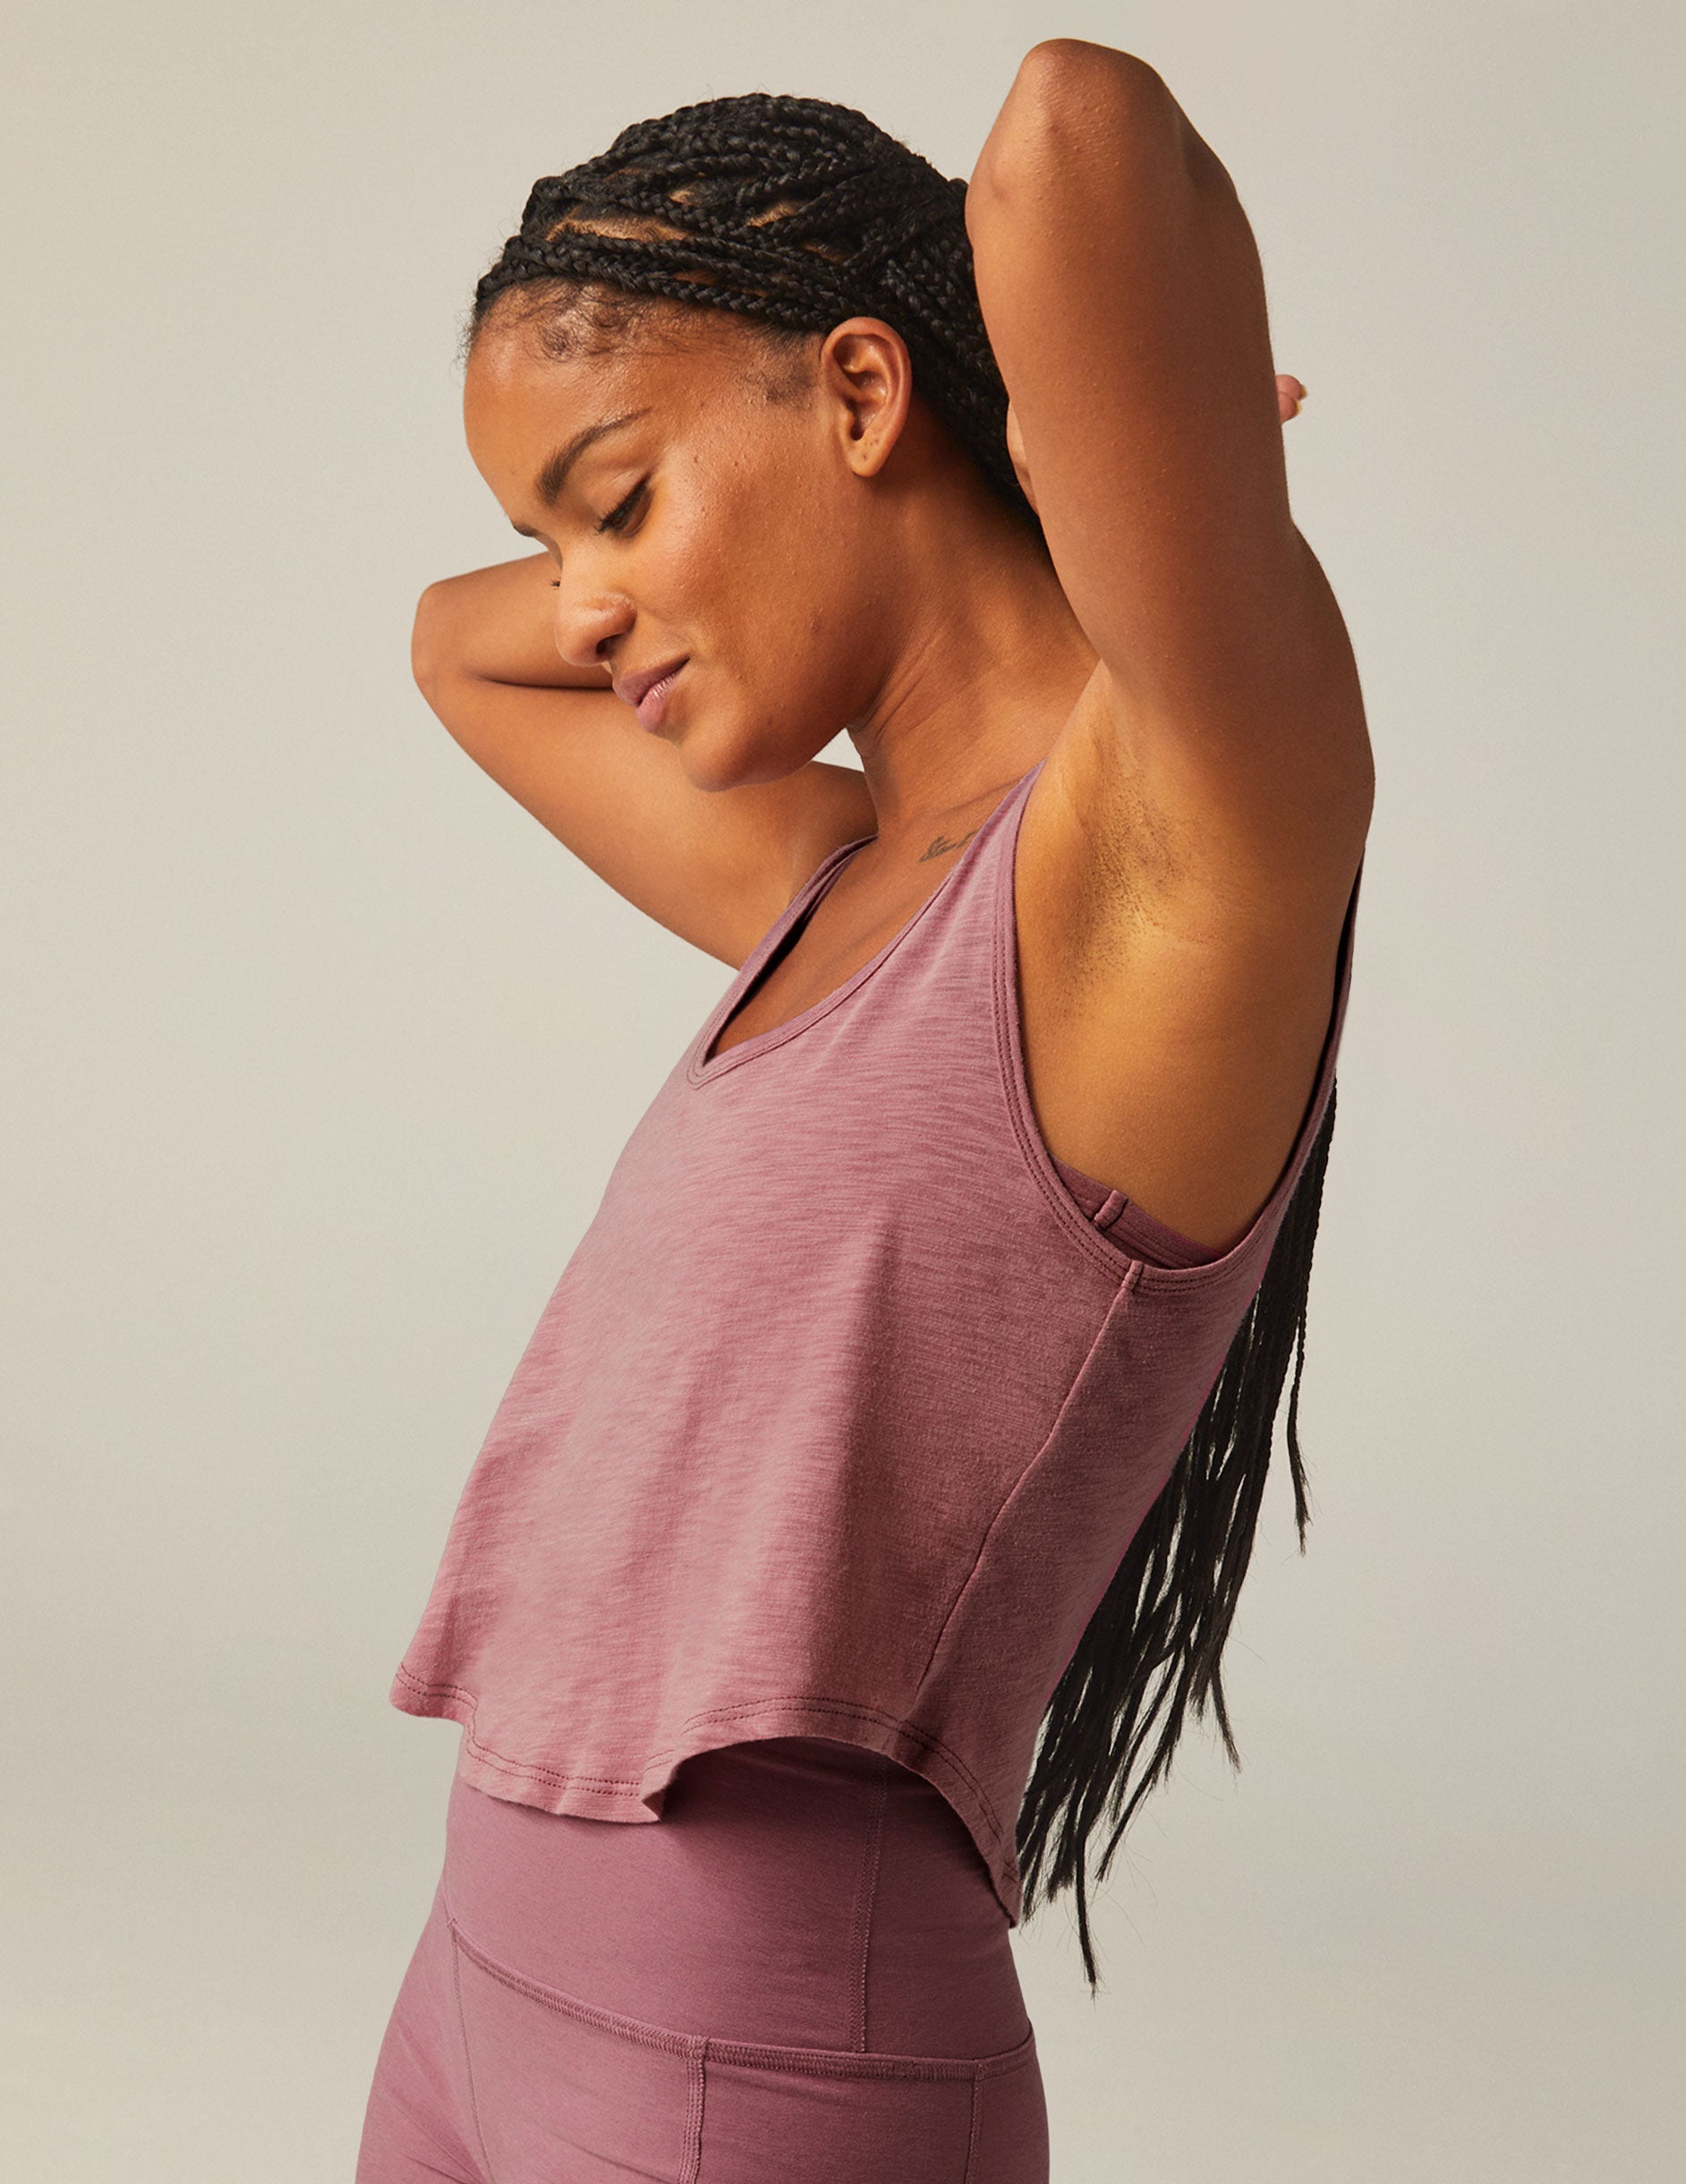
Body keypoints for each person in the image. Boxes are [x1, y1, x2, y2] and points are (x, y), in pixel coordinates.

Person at [355, 39, 1372, 2184]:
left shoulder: (1162, 854)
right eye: (555, 533)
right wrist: (1053, 435)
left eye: (617, 501)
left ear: (857, 390)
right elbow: (453, 652)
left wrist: (1123, 438)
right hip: (474, 1972)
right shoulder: (826, 873)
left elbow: (1073, 131)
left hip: (752, 2031)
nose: (582, 601)